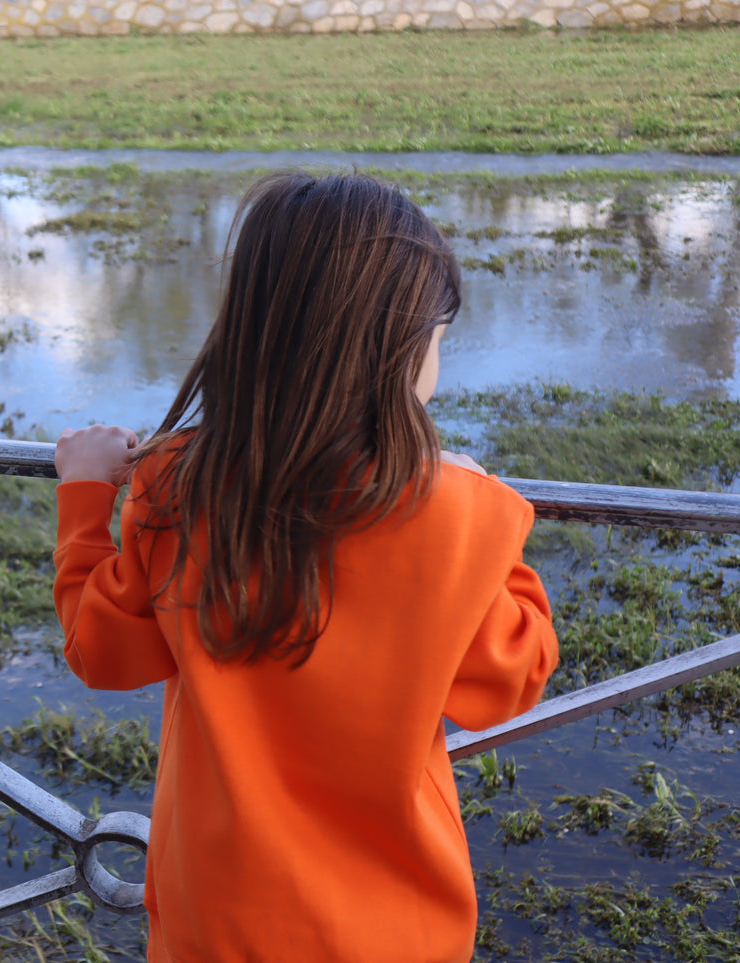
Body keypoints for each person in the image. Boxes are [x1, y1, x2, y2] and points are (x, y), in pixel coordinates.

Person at [51, 172, 558, 963]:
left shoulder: (177, 481)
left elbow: (104, 651)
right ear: (405, 343)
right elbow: (508, 681)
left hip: (214, 916)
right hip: (399, 925)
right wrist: (494, 519)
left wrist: (84, 498)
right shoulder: (458, 510)